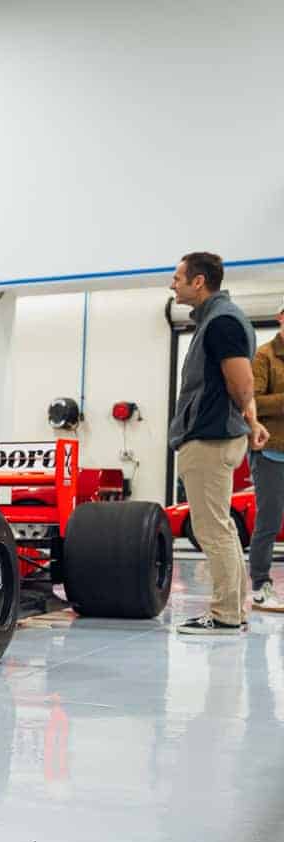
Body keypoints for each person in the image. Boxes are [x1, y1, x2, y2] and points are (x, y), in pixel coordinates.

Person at [168, 251, 269, 635]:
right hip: (214, 435)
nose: (172, 284)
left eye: (178, 278)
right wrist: (252, 422)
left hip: (210, 438)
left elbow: (241, 381)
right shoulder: (216, 320)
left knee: (212, 530)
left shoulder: (222, 321)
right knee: (221, 528)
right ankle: (233, 611)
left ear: (198, 282)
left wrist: (251, 420)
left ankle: (225, 613)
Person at [251, 303, 284, 611]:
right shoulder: (264, 355)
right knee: (269, 521)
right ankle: (260, 585)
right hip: (271, 451)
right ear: (281, 317)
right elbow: (253, 403)